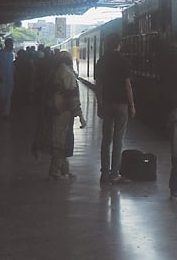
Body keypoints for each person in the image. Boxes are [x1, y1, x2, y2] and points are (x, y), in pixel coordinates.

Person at [34, 51, 86, 180]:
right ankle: (55, 172)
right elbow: (72, 95)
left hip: (56, 110)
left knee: (63, 139)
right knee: (60, 141)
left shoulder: (55, 70)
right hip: (62, 111)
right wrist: (79, 115)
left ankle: (64, 170)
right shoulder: (66, 72)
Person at [95, 33, 135, 185]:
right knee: (118, 139)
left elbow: (99, 86)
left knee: (106, 139)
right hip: (121, 104)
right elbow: (127, 85)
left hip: (107, 103)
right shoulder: (123, 61)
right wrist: (132, 105)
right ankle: (114, 174)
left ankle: (104, 174)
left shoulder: (101, 61)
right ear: (119, 44)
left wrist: (99, 104)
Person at [0, 38, 15, 119]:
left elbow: (12, 67)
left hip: (10, 79)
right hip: (2, 78)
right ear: (7, 44)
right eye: (11, 44)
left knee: (8, 97)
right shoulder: (0, 54)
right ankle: (0, 111)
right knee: (1, 96)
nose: (12, 46)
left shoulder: (11, 55)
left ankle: (6, 114)